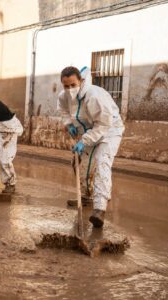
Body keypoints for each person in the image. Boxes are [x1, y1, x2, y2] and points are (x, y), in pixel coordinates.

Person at [60, 66, 124, 228]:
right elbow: (63, 110)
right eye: (66, 86)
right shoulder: (63, 96)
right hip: (87, 131)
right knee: (81, 164)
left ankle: (99, 209)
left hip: (109, 130)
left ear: (80, 81)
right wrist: (68, 124)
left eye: (73, 85)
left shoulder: (94, 96)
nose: (69, 89)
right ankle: (86, 196)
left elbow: (103, 124)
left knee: (102, 162)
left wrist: (84, 140)